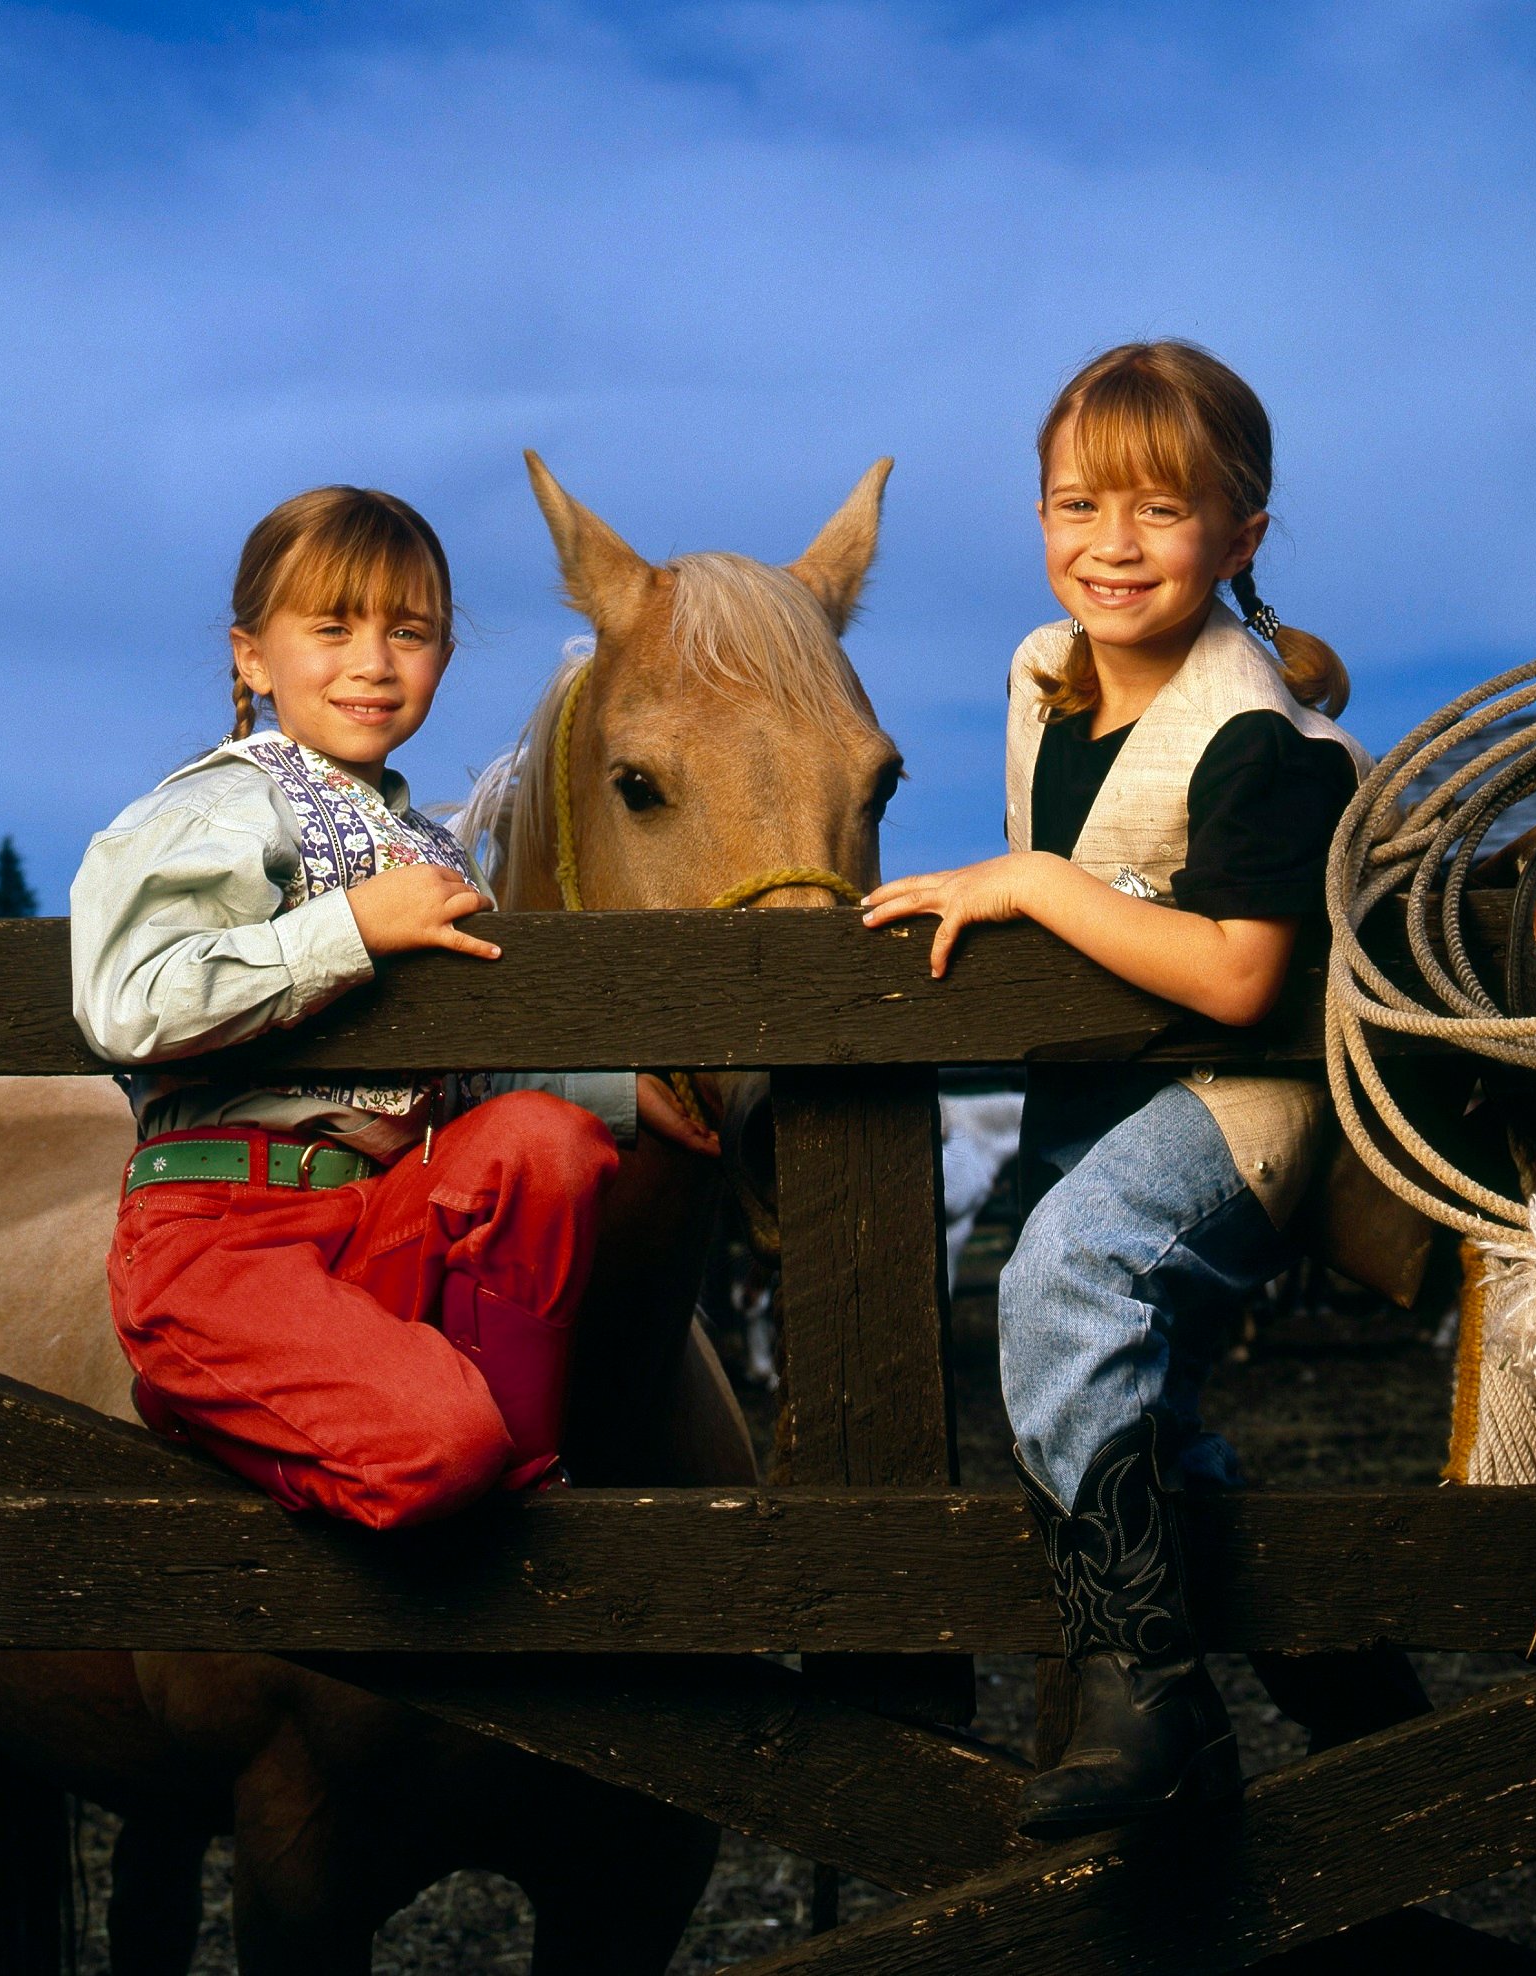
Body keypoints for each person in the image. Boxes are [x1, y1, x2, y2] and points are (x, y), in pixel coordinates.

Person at [863, 342, 1374, 1836]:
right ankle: (1346, 1678)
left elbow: (1234, 979)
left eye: (1162, 510)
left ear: (1243, 537)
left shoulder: (1266, 741)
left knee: (1068, 1281)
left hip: (1240, 1109)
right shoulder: (1043, 684)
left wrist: (1024, 883)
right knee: (1136, 1415)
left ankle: (1151, 1700)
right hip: (1092, 1108)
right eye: (1079, 503)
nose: (1113, 543)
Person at [71, 485, 716, 1532]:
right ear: (250, 658)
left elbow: (447, 1058)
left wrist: (610, 1093)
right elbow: (128, 1001)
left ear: (441, 659)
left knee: (544, 1143)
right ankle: (255, 1405)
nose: (372, 659)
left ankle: (510, 1479)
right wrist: (352, 927)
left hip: (379, 1215)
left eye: (407, 631)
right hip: (226, 1232)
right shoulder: (220, 804)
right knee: (436, 1449)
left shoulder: (431, 849)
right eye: (331, 627)